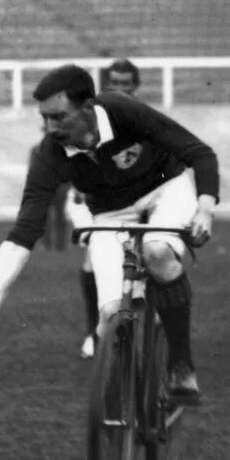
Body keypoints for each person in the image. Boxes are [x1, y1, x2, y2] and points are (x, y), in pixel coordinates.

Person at [0, 63, 218, 404]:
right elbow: (22, 236)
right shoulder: (49, 154)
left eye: (59, 117)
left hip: (166, 190)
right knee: (109, 319)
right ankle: (122, 407)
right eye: (45, 118)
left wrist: (204, 209)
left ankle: (181, 365)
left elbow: (200, 153)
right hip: (112, 214)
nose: (50, 128)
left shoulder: (122, 110)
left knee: (157, 252)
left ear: (87, 108)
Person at [70, 58, 142, 358]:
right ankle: (93, 331)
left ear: (136, 86)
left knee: (150, 256)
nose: (121, 89)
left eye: (127, 84)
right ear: (106, 86)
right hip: (94, 200)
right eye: (115, 83)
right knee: (93, 261)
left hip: (138, 200)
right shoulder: (92, 119)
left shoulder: (145, 119)